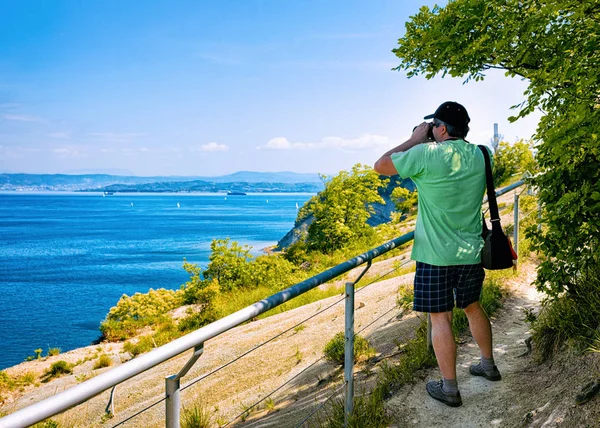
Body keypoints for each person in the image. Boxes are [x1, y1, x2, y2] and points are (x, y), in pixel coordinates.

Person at [374, 101, 501, 407]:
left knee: (440, 318)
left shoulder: (424, 154)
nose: (430, 129)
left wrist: (416, 138)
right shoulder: (483, 154)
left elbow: (380, 166)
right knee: (472, 306)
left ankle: (450, 388)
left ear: (441, 128)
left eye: (433, 125)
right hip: (471, 250)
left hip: (435, 255)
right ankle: (488, 365)